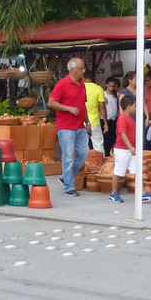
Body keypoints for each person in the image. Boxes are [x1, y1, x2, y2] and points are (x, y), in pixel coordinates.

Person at [48, 57, 89, 197]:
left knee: (83, 153)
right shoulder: (62, 84)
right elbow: (51, 102)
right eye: (81, 68)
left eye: (84, 68)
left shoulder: (82, 84)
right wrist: (68, 108)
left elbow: (83, 105)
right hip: (66, 127)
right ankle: (69, 187)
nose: (84, 70)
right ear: (73, 70)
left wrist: (87, 123)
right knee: (68, 157)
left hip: (80, 127)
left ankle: (66, 177)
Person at [110, 95, 151, 207]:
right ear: (128, 107)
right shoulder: (122, 118)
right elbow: (123, 134)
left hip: (131, 149)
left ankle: (141, 193)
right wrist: (131, 147)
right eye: (135, 106)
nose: (136, 108)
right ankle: (113, 193)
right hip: (123, 149)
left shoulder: (129, 118)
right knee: (118, 171)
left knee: (137, 170)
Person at [82, 69, 107, 153]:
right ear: (92, 77)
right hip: (94, 121)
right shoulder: (98, 88)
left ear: (82, 77)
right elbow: (102, 107)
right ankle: (101, 164)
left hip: (81, 122)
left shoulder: (79, 87)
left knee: (82, 146)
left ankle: (83, 165)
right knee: (98, 145)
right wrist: (106, 123)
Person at [102, 76, 120, 155]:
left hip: (114, 120)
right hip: (105, 120)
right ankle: (106, 155)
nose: (112, 88)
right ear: (106, 85)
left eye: (113, 86)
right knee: (106, 140)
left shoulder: (116, 95)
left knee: (114, 139)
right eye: (110, 86)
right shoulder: (103, 94)